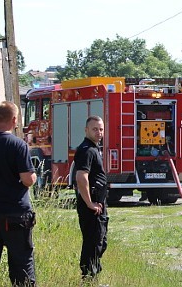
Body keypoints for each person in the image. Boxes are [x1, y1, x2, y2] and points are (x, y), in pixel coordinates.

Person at [0, 101, 37, 286]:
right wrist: (34, 177)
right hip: (15, 214)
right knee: (22, 264)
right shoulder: (17, 145)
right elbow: (27, 179)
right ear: (14, 120)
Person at [74, 115, 108, 278]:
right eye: (95, 129)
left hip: (97, 205)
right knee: (93, 243)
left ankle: (93, 275)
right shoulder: (86, 150)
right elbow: (81, 177)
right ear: (86, 130)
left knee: (100, 241)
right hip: (91, 206)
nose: (99, 132)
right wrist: (89, 203)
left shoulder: (93, 148)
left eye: (101, 129)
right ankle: (88, 277)